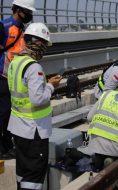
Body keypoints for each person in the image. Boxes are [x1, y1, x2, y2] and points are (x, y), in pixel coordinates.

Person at [7, 22, 62, 190]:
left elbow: (23, 92)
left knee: (23, 170)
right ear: (39, 43)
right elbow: (38, 99)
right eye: (45, 44)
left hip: (18, 127)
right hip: (34, 130)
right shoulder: (33, 67)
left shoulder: (15, 62)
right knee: (34, 172)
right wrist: (51, 86)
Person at [0, 0, 36, 159]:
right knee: (3, 114)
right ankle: (3, 148)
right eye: (28, 12)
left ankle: (8, 146)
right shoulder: (4, 26)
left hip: (14, 79)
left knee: (10, 114)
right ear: (19, 10)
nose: (30, 15)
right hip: (2, 77)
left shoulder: (24, 30)